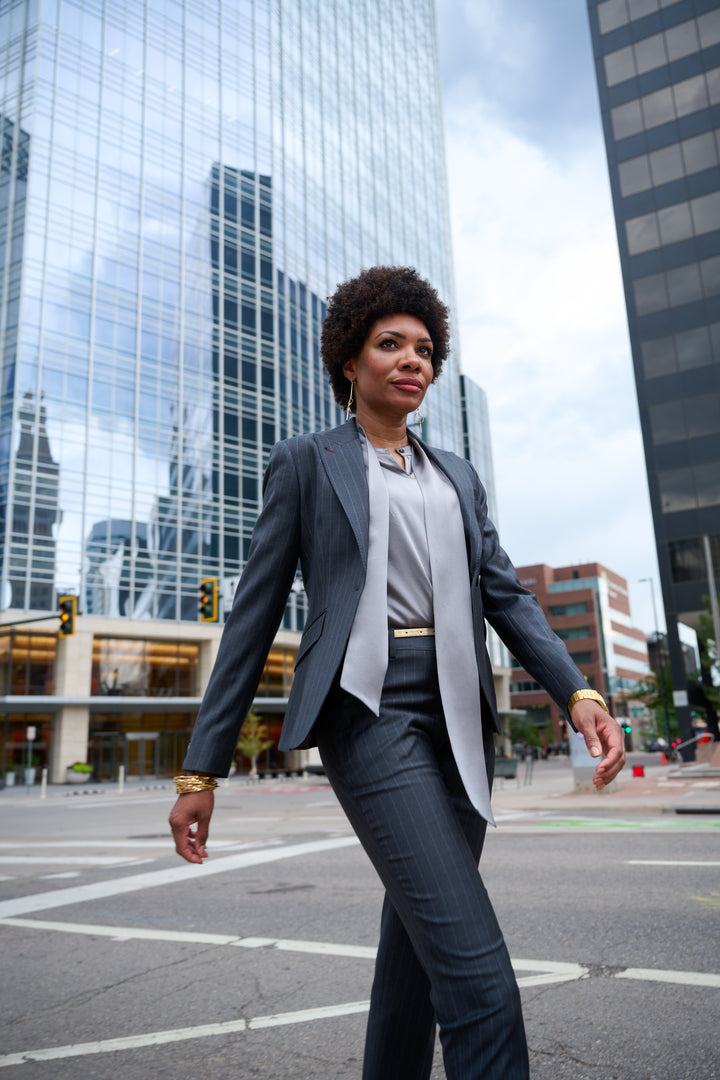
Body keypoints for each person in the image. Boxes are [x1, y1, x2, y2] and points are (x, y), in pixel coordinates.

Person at [169, 265, 626, 1080]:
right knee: (479, 978)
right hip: (368, 711)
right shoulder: (307, 463)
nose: (412, 360)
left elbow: (506, 596)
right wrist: (201, 768)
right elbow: (253, 615)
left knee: (415, 961)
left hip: (459, 711)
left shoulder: (456, 473)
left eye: (424, 348)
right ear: (350, 360)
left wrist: (579, 691)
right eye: (390, 344)